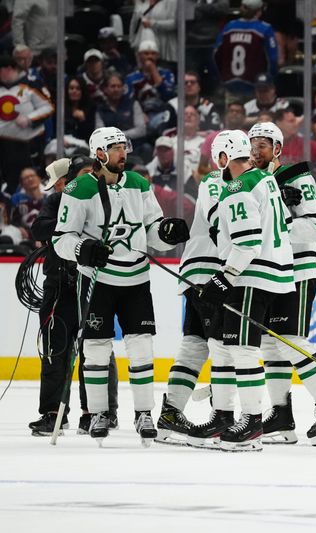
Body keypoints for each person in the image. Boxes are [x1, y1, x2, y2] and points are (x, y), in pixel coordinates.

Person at [52, 126, 190, 446]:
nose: (123, 153)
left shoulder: (139, 184)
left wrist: (167, 235)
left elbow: (152, 229)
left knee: (142, 346)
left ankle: (144, 412)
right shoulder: (78, 189)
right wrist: (81, 250)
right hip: (97, 279)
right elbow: (61, 239)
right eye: (115, 148)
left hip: (136, 278)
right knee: (96, 348)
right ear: (99, 153)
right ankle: (99, 413)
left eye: (124, 147)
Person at [249, 121, 316, 446]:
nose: (255, 151)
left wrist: (279, 217)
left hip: (298, 270)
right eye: (251, 146)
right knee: (271, 344)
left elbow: (314, 230)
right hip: (271, 273)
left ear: (277, 149)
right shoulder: (256, 184)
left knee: (290, 338)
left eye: (262, 145)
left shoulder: (297, 177)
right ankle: (281, 415)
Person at [195, 129, 293, 451]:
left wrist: (225, 277)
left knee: (243, 349)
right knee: (232, 346)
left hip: (251, 276)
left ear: (224, 158)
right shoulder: (264, 180)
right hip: (270, 274)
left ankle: (251, 421)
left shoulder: (238, 185)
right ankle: (234, 416)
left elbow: (248, 241)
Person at [27, 155, 119, 437]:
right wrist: (68, 220)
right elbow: (38, 228)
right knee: (55, 349)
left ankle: (99, 411)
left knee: (97, 348)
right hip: (59, 287)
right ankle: (53, 412)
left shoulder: (107, 198)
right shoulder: (57, 201)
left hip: (93, 283)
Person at [155, 153, 226, 446]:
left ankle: (171, 414)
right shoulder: (216, 179)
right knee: (224, 346)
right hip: (208, 272)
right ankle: (224, 416)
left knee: (195, 345)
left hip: (201, 270)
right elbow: (219, 219)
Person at [0, 55, 53, 197]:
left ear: (9, 69)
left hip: (30, 143)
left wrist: (30, 119)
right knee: (9, 182)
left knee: (31, 179)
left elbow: (48, 107)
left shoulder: (31, 84)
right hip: (5, 146)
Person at [213, 0, 279, 98]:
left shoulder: (229, 27)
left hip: (229, 83)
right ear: (259, 11)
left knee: (233, 112)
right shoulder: (265, 29)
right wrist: (270, 79)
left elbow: (216, 53)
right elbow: (273, 59)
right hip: (256, 85)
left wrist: (221, 77)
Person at [95, 72, 147, 144]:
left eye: (119, 86)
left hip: (134, 146)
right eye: (113, 86)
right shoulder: (100, 109)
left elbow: (141, 130)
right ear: (105, 89)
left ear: (123, 88)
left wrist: (118, 136)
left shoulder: (133, 104)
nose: (116, 89)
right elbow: (99, 134)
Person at [64, 76, 96, 142]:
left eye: (78, 89)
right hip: (62, 142)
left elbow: (90, 135)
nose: (74, 91)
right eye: (71, 88)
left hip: (82, 143)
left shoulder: (91, 108)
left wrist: (82, 120)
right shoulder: (61, 108)